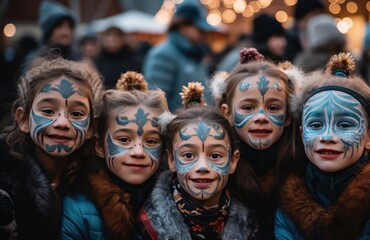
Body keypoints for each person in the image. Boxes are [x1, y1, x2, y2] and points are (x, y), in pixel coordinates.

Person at [274, 53, 370, 239]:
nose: (327, 137)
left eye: (344, 125)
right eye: (316, 125)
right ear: (302, 135)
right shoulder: (288, 210)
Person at [0, 55, 103, 239]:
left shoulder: (91, 187)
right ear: (24, 119)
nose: (62, 123)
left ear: (90, 128)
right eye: (48, 111)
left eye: (77, 113)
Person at [140, 82, 257, 239]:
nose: (202, 167)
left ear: (233, 161)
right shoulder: (146, 225)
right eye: (188, 155)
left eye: (215, 156)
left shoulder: (250, 224)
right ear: (171, 160)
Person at [60, 71, 169, 239]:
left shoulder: (178, 205)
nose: (138, 152)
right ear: (99, 146)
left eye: (152, 141)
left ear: (163, 150)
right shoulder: (78, 211)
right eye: (124, 139)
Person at [211, 48, 305, 239]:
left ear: (287, 115)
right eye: (248, 107)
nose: (261, 117)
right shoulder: (213, 169)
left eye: (273, 108)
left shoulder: (306, 166)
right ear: (227, 112)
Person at [143, 1, 216, 112]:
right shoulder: (162, 54)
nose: (204, 33)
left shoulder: (196, 54)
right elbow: (156, 104)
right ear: (183, 26)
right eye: (199, 29)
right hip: (177, 127)